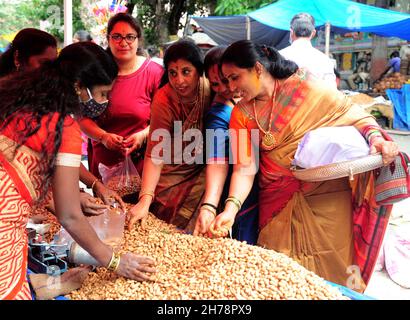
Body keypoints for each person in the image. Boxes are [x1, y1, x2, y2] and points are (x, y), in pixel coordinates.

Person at [215, 40, 398, 290]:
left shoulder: (305, 87)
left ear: (257, 68)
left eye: (235, 78)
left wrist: (376, 139)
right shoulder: (241, 114)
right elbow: (244, 169)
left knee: (334, 272)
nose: (231, 88)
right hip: (277, 203)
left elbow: (354, 115)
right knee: (278, 277)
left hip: (326, 196)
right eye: (227, 81)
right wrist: (230, 208)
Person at [0, 42, 156, 300]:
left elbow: (25, 166)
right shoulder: (65, 125)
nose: (105, 102)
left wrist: (84, 190)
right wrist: (115, 261)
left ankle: (40, 285)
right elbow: (69, 215)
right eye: (103, 94)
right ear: (79, 87)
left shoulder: (18, 97)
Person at [0, 28, 124, 212]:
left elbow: (59, 154)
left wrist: (94, 185)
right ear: (78, 84)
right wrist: (66, 202)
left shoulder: (48, 105)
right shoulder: (28, 106)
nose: (49, 71)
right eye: (44, 63)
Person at [127, 39, 212, 232]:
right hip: (172, 176)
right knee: (169, 231)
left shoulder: (210, 90)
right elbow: (155, 154)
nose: (179, 81)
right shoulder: (164, 99)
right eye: (172, 73)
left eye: (186, 72)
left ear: (198, 70)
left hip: (206, 175)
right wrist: (145, 200)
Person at [79, 13, 163, 183]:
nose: (123, 43)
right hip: (103, 168)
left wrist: (143, 136)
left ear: (138, 39)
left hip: (145, 165)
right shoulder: (94, 72)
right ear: (108, 39)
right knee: (108, 209)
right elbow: (82, 118)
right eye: (116, 36)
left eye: (130, 37)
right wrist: (104, 137)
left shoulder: (154, 73)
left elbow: (165, 119)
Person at [192, 46, 259, 244]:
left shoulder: (251, 99)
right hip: (241, 193)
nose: (225, 87)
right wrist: (209, 206)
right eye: (215, 84)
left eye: (228, 79)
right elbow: (217, 160)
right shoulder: (218, 115)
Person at [279, 13, 337, 88]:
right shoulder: (325, 60)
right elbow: (331, 92)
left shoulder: (279, 57)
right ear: (313, 33)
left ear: (291, 32)